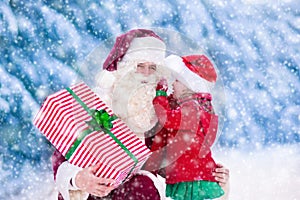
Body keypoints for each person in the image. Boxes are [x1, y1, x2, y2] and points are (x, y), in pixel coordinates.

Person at [52, 29, 230, 200]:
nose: (145, 75)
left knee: (142, 186)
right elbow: (62, 157)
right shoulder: (95, 104)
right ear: (124, 68)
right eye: (139, 66)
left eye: (152, 67)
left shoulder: (160, 114)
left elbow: (181, 156)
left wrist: (208, 175)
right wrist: (77, 178)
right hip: (93, 190)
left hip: (138, 192)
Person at [144, 54, 229, 200]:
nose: (173, 84)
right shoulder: (195, 106)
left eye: (177, 81)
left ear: (189, 85)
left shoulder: (193, 108)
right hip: (191, 172)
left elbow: (166, 117)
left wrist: (160, 93)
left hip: (191, 176)